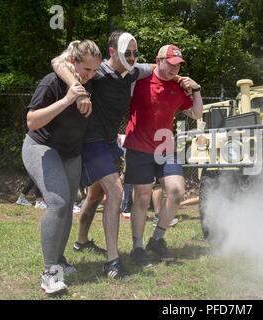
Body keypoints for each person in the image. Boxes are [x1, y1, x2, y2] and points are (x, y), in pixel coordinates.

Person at [52, 31, 154, 279]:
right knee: (116, 190)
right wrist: (80, 90)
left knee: (96, 194)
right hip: (90, 140)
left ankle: (82, 241)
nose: (132, 57)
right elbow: (58, 62)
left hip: (109, 142)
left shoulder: (131, 71)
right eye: (126, 53)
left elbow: (155, 68)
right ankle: (113, 262)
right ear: (112, 52)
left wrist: (181, 78)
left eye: (135, 53)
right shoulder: (98, 72)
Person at [22, 40, 102, 295]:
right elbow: (32, 122)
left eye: (93, 71)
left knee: (68, 205)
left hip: (71, 153)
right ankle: (49, 272)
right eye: (85, 69)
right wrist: (68, 99)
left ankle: (59, 260)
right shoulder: (52, 82)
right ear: (73, 62)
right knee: (57, 202)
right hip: (40, 147)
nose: (89, 76)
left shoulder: (91, 84)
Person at [124, 44, 203, 265]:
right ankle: (137, 247)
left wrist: (196, 90)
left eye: (178, 66)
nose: (174, 70)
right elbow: (122, 67)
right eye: (170, 64)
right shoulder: (139, 80)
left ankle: (157, 240)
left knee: (177, 191)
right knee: (142, 197)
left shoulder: (179, 88)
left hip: (165, 146)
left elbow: (196, 113)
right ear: (158, 60)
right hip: (138, 146)